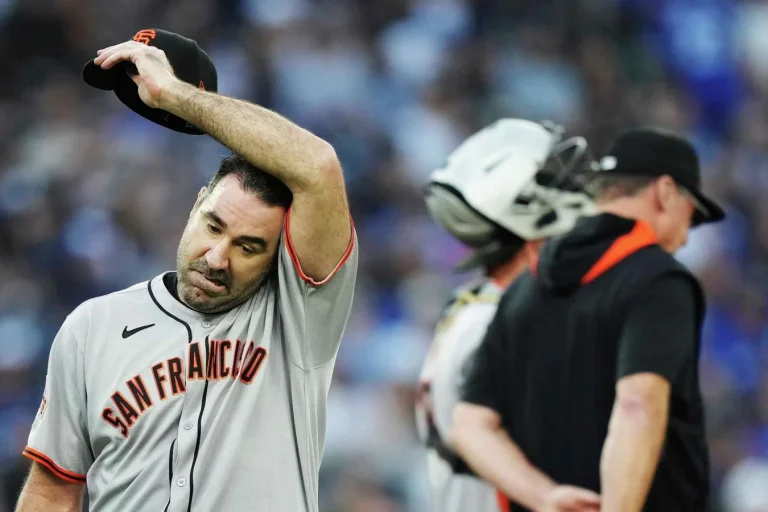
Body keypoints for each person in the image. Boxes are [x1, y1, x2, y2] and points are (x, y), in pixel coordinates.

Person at [15, 30, 357, 512]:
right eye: (213, 226)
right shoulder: (93, 327)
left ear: (281, 254)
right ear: (196, 205)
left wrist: (175, 95)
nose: (218, 257)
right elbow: (53, 491)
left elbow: (318, 166)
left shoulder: (299, 317)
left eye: (249, 246)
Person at [450, 128, 725, 512]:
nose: (685, 238)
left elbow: (470, 424)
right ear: (664, 191)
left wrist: (544, 496)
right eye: (690, 215)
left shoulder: (524, 287)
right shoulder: (658, 279)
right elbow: (637, 404)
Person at [415, 119, 595, 512]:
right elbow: (475, 433)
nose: (574, 188)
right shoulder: (495, 325)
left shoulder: (474, 308)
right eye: (549, 178)